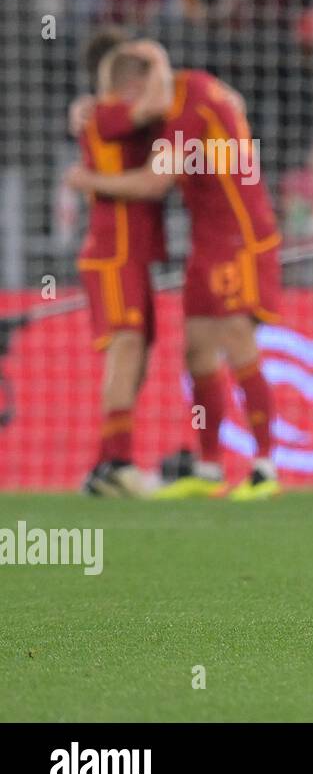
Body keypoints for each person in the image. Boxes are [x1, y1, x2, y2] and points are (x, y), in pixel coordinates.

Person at [68, 42, 283, 502]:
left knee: (238, 342)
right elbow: (235, 103)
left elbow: (153, 181)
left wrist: (88, 181)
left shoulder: (190, 108)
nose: (134, 113)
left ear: (140, 85)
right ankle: (208, 468)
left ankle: (265, 466)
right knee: (197, 351)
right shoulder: (197, 89)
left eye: (129, 99)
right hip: (207, 241)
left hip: (240, 238)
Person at [72, 31, 170, 498]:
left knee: (137, 356)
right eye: (148, 79)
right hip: (112, 254)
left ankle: (106, 465)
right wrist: (159, 57)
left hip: (131, 254)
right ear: (131, 83)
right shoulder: (110, 111)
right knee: (126, 348)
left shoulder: (109, 117)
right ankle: (116, 464)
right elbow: (152, 184)